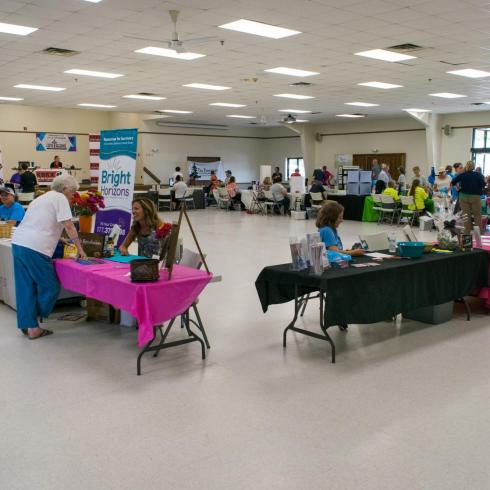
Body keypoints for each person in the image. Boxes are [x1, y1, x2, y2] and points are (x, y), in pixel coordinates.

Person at [12, 174, 86, 339]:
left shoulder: (40, 198)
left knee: (25, 287)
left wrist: (60, 238)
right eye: (72, 192)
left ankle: (28, 325)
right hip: (35, 247)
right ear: (65, 188)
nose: (72, 195)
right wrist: (80, 248)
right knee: (50, 286)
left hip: (18, 243)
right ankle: (33, 321)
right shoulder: (60, 198)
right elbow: (69, 225)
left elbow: (37, 223)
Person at [451, 160, 486, 234]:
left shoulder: (462, 175)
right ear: (473, 167)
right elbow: (483, 185)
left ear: (466, 166)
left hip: (463, 196)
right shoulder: (478, 175)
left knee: (466, 215)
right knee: (477, 215)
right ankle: (479, 233)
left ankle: (467, 232)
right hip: (475, 197)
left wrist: (458, 188)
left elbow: (453, 182)